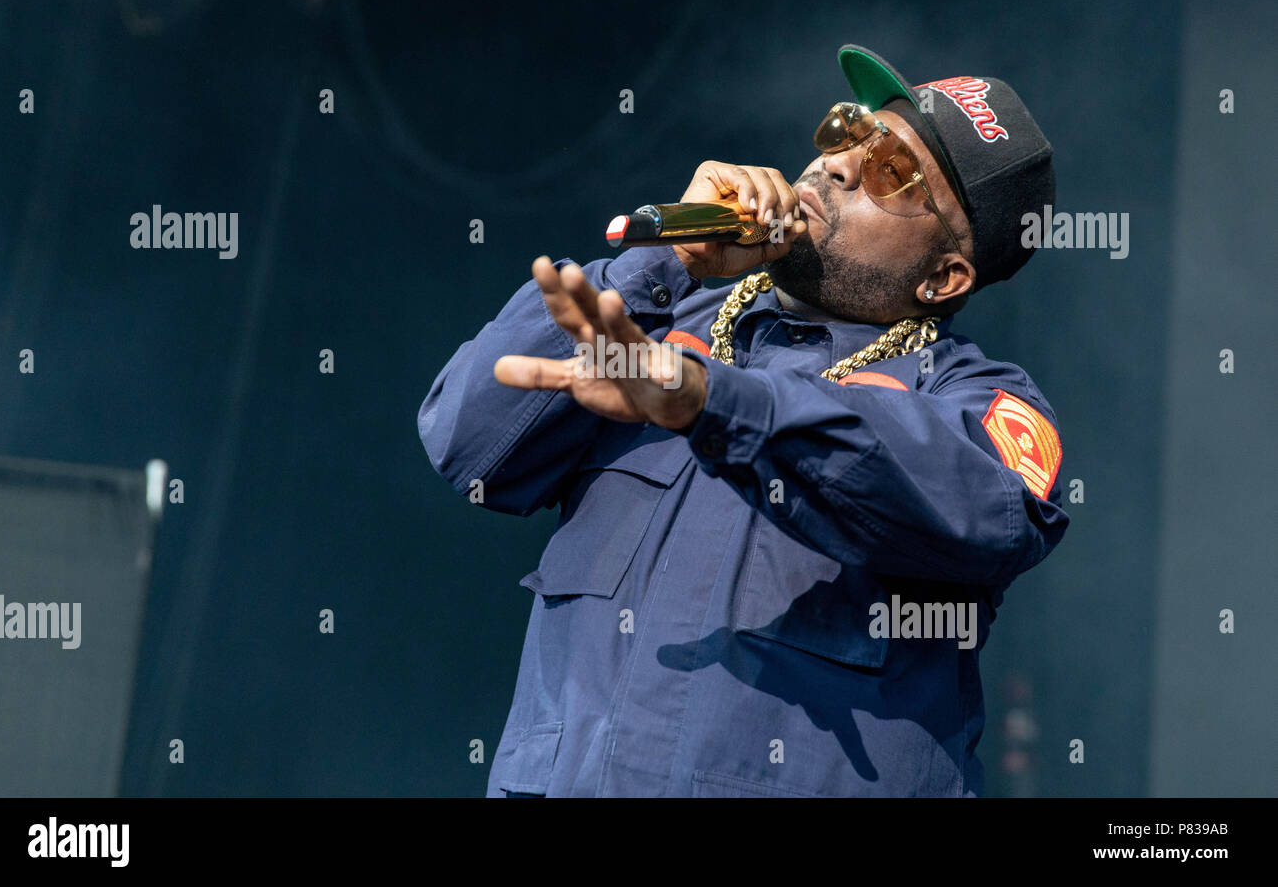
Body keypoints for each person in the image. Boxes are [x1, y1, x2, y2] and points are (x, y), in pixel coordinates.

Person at [418, 44, 1069, 797]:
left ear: (943, 276)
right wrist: (671, 261)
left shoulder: (971, 399)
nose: (839, 165)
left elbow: (979, 504)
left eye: (892, 170)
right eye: (849, 132)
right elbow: (465, 446)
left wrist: (711, 402)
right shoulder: (657, 318)